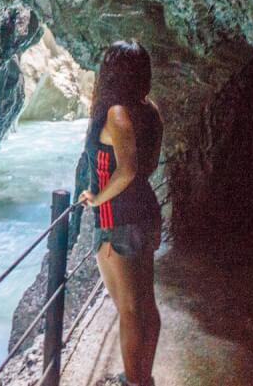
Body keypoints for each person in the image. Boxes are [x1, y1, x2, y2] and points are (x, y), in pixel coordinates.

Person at [77, 39, 163, 386]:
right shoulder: (149, 110)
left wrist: (96, 199)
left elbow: (125, 171)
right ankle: (142, 378)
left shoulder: (116, 113)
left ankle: (134, 381)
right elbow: (148, 165)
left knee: (129, 311)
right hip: (145, 212)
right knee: (146, 306)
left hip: (118, 221)